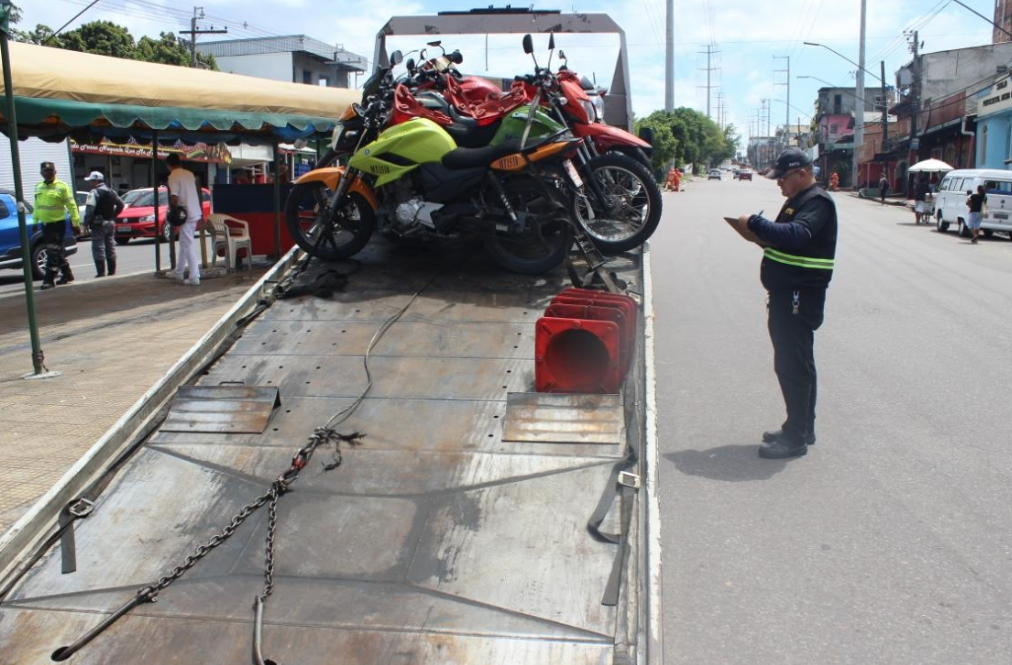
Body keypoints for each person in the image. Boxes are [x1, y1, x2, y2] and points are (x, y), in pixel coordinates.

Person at [725, 148, 838, 459]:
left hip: (799, 297)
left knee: (792, 366)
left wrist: (756, 223)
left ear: (802, 173)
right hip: (788, 295)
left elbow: (796, 235)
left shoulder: (817, 201)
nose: (778, 184)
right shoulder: (798, 201)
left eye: (783, 178)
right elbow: (786, 240)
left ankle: (796, 437)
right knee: (796, 363)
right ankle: (801, 426)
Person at [34, 161, 82, 290]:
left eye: (50, 171)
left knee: (52, 251)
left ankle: (49, 278)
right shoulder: (38, 186)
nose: (48, 174)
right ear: (41, 173)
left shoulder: (62, 186)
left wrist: (75, 223)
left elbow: (71, 206)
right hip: (45, 224)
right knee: (57, 250)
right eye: (45, 172)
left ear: (55, 172)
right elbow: (37, 206)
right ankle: (67, 274)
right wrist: (35, 221)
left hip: (57, 224)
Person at [165, 153, 202, 285]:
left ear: (169, 165)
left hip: (184, 213)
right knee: (184, 243)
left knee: (188, 244)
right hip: (195, 211)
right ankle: (179, 272)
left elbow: (174, 197)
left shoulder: (173, 176)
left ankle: (194, 277)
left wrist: (172, 210)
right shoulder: (189, 174)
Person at [82, 171, 125, 277]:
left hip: (98, 224)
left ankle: (101, 272)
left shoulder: (94, 192)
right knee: (110, 246)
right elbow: (121, 204)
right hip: (110, 223)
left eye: (91, 181)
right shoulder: (112, 191)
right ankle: (112, 271)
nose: (90, 183)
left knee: (98, 247)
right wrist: (113, 216)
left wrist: (85, 223)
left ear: (97, 181)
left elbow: (90, 210)